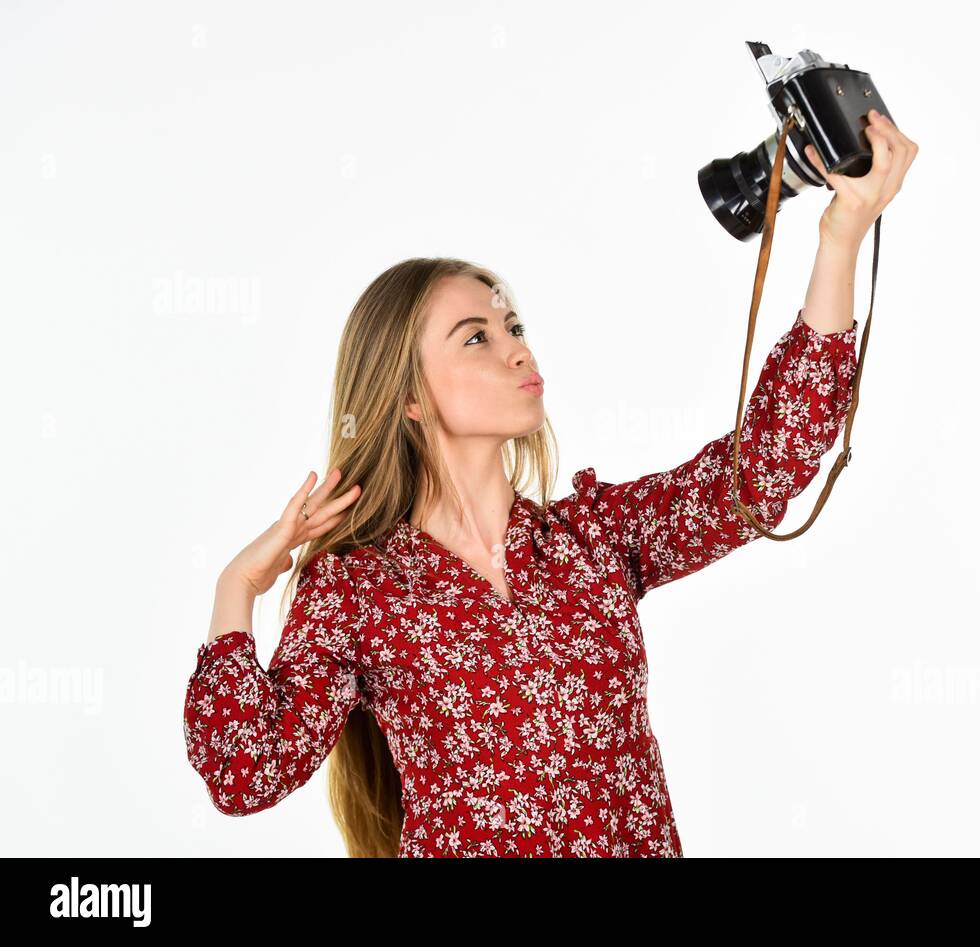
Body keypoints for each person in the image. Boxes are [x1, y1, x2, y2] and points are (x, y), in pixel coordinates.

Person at [182, 110, 918, 857]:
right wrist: (236, 586)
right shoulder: (359, 589)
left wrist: (840, 239)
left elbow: (767, 466)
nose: (515, 350)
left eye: (513, 327)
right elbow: (245, 774)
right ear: (408, 397)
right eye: (476, 337)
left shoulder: (594, 538)